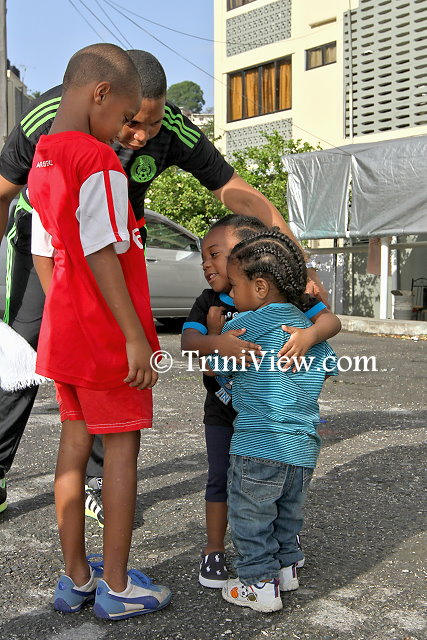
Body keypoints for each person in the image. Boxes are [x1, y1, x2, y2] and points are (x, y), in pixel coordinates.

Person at [0, 49, 328, 521]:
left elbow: (236, 191)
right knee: (22, 353)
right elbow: (4, 192)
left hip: (115, 245)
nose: (139, 136)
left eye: (151, 125)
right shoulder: (52, 117)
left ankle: (100, 479)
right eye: (131, 122)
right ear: (104, 98)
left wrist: (297, 260)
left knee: (118, 356)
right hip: (46, 243)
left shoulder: (172, 128)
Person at [27, 43, 171, 620]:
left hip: (64, 331)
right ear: (101, 94)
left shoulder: (43, 156)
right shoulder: (99, 162)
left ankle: (76, 578)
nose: (126, 132)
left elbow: (44, 251)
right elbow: (102, 250)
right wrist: (134, 336)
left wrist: (67, 308)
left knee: (72, 446)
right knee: (121, 453)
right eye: (126, 116)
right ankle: (117, 585)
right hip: (107, 335)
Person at [181, 215, 341, 589]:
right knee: (272, 506)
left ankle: (258, 583)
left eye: (216, 254)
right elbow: (326, 366)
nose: (207, 264)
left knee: (250, 512)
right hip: (283, 437)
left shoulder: (262, 318)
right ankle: (276, 568)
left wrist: (219, 339)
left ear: (258, 279)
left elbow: (210, 368)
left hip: (255, 436)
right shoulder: (294, 321)